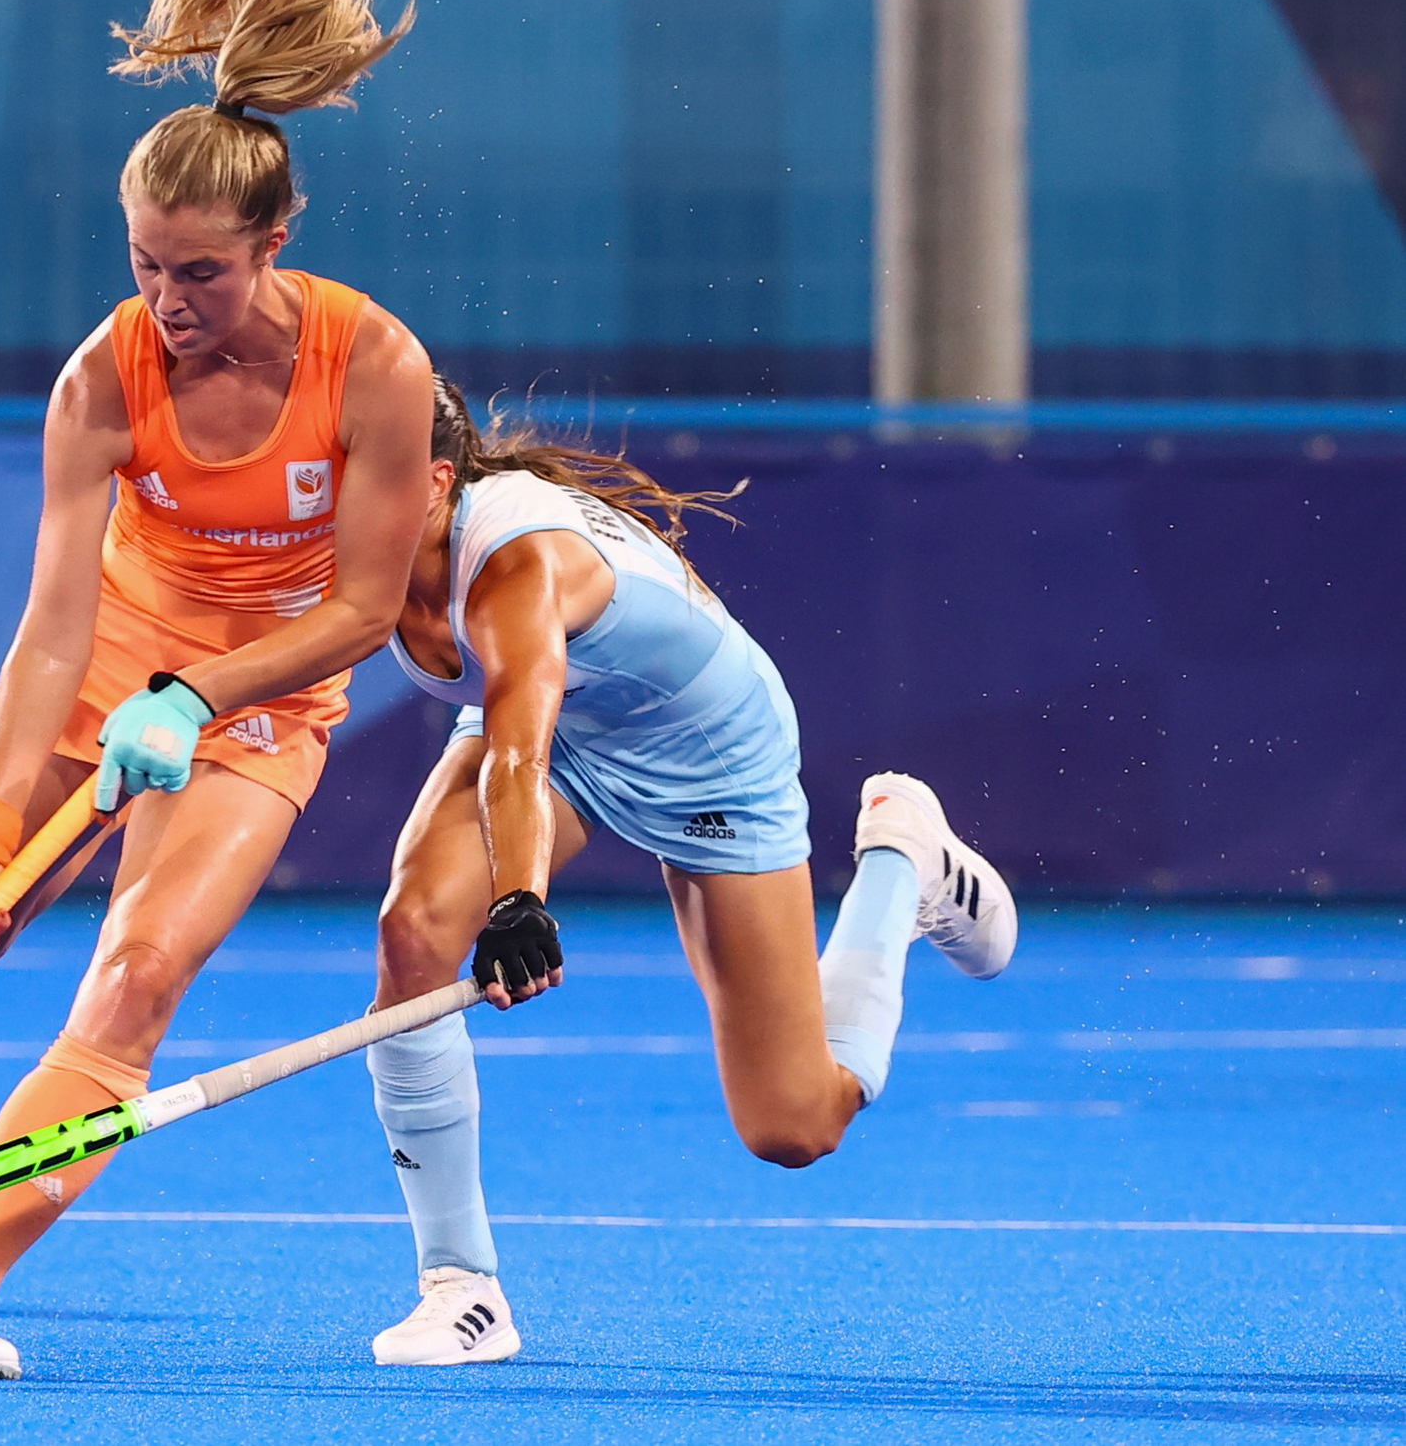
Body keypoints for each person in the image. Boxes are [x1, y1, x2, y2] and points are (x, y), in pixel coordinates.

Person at [0, 0, 435, 1382]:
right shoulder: (102, 380)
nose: (168, 302)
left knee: (132, 981)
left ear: (276, 241)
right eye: (145, 265)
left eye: (200, 271)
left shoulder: (373, 365)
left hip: (262, 699)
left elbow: (367, 614)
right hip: (113, 661)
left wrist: (202, 690)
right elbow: (48, 634)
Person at [362, 376, 1018, 1365]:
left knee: (794, 1124)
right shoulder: (347, 550)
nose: (326, 503)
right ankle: (462, 1287)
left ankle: (901, 860)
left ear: (435, 484)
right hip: (563, 722)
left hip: (702, 755)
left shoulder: (516, 563)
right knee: (412, 933)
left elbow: (514, 754)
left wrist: (517, 900)